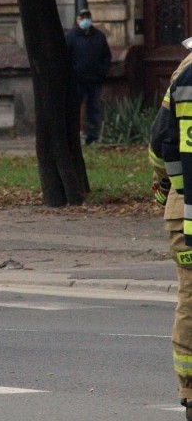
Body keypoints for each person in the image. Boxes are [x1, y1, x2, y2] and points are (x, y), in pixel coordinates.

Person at [150, 36, 192, 421]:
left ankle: (189, 390)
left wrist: (169, 185)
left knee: (191, 296)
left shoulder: (183, 76)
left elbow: (160, 142)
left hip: (184, 208)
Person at [65, 8, 111, 145]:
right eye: (82, 17)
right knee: (74, 108)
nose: (85, 20)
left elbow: (106, 56)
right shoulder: (71, 36)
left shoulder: (99, 36)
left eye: (87, 17)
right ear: (77, 19)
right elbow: (65, 58)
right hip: (77, 80)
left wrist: (103, 70)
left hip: (95, 79)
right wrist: (72, 74)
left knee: (94, 109)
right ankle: (72, 137)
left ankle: (92, 137)